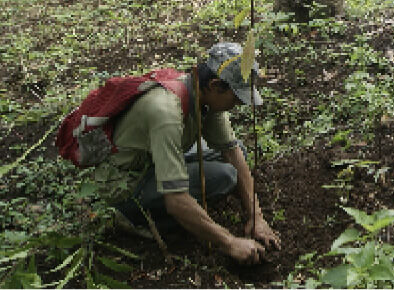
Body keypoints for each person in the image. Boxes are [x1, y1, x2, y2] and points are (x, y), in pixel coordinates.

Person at [95, 42, 281, 265]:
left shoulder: (203, 94)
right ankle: (133, 218)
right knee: (223, 176)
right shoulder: (166, 113)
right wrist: (230, 242)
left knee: (237, 150)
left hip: (155, 157)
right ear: (215, 85)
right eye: (236, 98)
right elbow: (175, 200)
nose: (238, 104)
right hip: (129, 183)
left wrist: (256, 217)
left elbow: (232, 152)